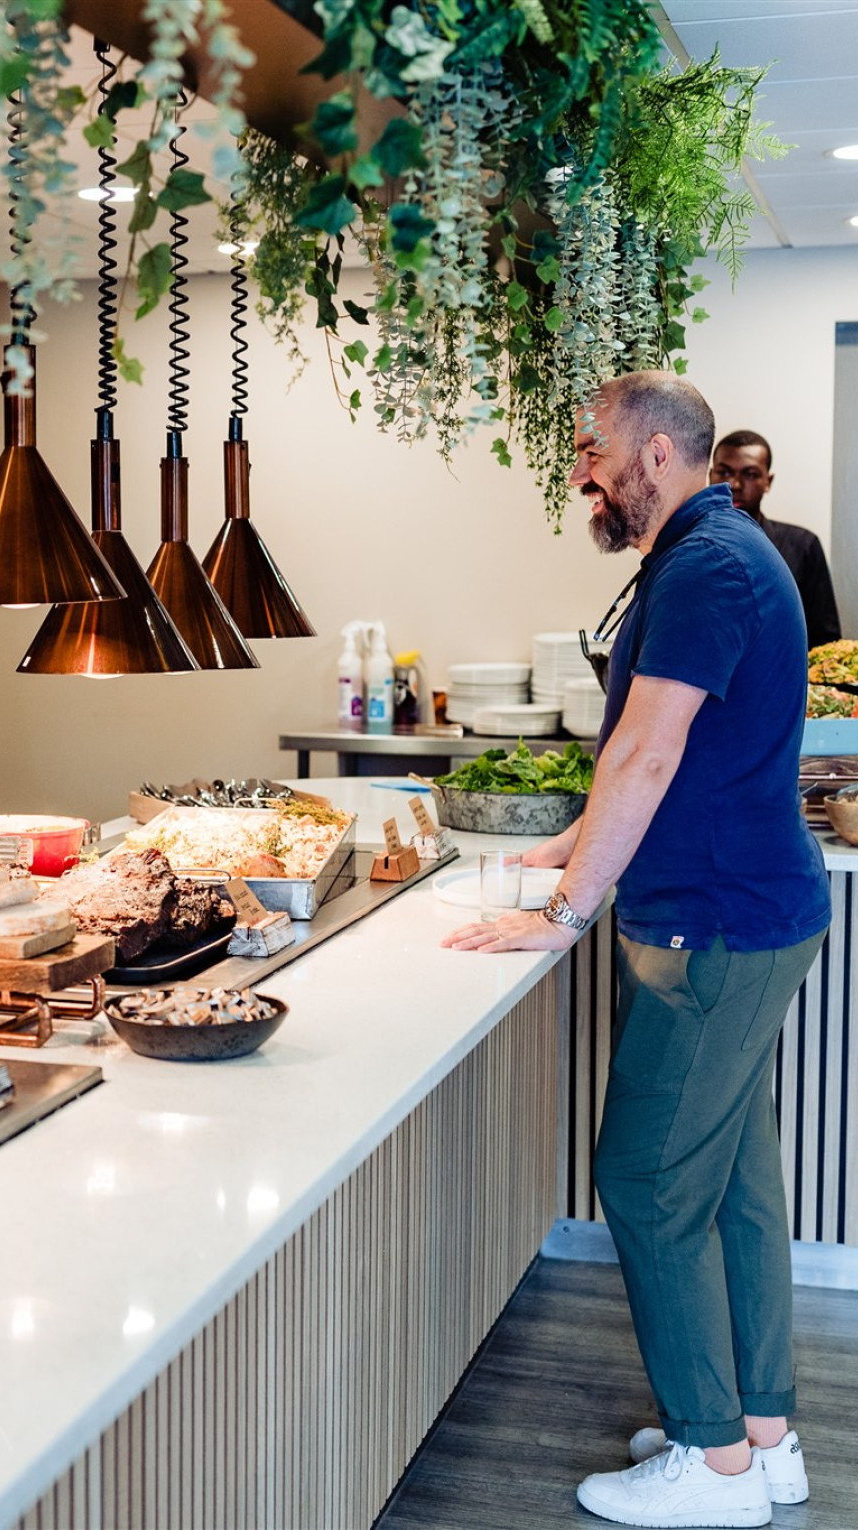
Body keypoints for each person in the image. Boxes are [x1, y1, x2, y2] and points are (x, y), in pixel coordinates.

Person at [442, 372, 830, 1528]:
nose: (579, 472)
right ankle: (764, 1437)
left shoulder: (708, 567)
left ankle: (714, 1467)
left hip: (708, 923)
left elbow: (652, 761)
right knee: (737, 1188)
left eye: (591, 450)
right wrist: (559, 851)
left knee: (650, 1183)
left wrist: (561, 912)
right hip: (749, 910)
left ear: (656, 453)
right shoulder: (718, 552)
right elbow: (643, 755)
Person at [711, 428, 842, 647]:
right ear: (709, 475)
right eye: (723, 473)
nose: (734, 485)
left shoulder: (802, 545)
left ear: (768, 481)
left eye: (750, 474)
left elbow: (826, 642)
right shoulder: (683, 544)